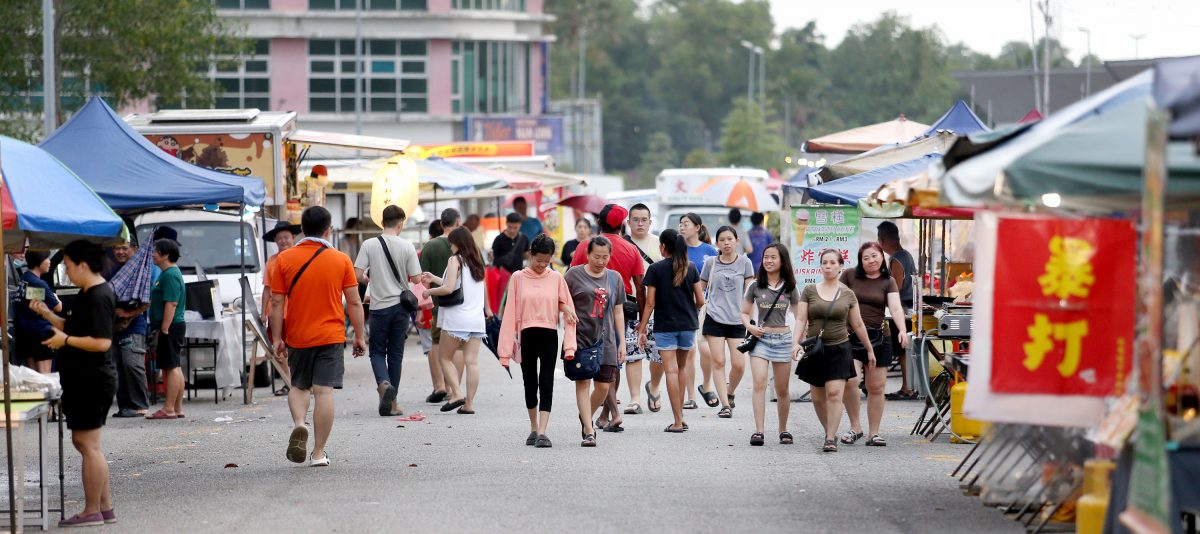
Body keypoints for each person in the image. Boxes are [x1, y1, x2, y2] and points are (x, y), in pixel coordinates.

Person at [269, 206, 367, 467]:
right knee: (324, 393)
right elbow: (355, 303)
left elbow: (276, 303)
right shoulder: (341, 259)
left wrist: (277, 338)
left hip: (298, 335)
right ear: (329, 230)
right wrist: (359, 335)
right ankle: (318, 453)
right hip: (331, 335)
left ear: (301, 230)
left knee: (299, 386)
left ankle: (300, 424)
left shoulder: (285, 260)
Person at [30, 241, 118, 527]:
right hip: (83, 377)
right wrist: (46, 313)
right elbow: (73, 326)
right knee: (87, 444)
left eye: (67, 266)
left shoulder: (99, 295)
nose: (66, 272)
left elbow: (102, 342)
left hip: (93, 378)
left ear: (82, 264)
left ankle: (91, 509)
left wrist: (65, 341)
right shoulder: (87, 293)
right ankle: (103, 507)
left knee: (87, 444)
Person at [498, 234, 577, 448]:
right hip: (527, 336)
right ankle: (533, 427)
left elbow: (562, 302)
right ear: (530, 255)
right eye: (538, 260)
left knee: (547, 382)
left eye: (547, 260)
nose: (542, 265)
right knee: (530, 384)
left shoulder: (556, 278)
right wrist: (505, 350)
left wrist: (566, 307)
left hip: (549, 335)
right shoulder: (518, 277)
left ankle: (543, 432)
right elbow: (510, 312)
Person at [569, 204, 644, 431]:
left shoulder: (584, 246)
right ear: (623, 224)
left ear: (599, 222)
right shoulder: (631, 250)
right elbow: (640, 287)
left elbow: (569, 288)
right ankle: (605, 414)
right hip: (613, 316)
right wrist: (643, 318)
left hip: (595, 317)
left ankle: (606, 413)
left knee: (601, 370)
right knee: (612, 368)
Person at [797, 249, 877, 453]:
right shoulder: (809, 290)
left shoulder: (848, 294)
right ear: (820, 266)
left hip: (840, 349)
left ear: (841, 267)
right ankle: (828, 430)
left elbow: (858, 324)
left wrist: (869, 349)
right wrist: (795, 343)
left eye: (833, 263)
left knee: (834, 394)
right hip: (815, 350)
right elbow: (800, 320)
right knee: (817, 398)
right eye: (824, 262)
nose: (828, 266)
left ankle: (830, 437)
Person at [839, 242, 910, 447]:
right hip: (851, 336)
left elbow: (896, 309)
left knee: (876, 387)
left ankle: (874, 433)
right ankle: (855, 428)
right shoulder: (850, 276)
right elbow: (837, 300)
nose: (871, 260)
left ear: (882, 257)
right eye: (866, 257)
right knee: (851, 381)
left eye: (875, 256)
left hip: (879, 336)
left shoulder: (888, 281)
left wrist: (903, 331)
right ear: (860, 261)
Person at [354, 205, 422, 417]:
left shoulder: (369, 245)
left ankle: (383, 385)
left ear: (382, 222)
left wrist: (370, 278)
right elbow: (417, 279)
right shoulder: (407, 246)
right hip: (401, 308)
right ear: (400, 223)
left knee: (376, 352)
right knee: (395, 354)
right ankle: (393, 404)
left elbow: (356, 276)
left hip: (379, 307)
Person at [638, 229, 704, 433]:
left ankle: (677, 421)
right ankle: (680, 417)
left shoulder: (655, 269)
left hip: (665, 326)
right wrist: (689, 312)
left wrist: (641, 329)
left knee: (671, 371)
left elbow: (650, 303)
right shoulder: (690, 268)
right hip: (687, 326)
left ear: (663, 247)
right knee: (682, 368)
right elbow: (700, 300)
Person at [565, 236, 627, 447]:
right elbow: (561, 300)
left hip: (607, 339)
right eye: (596, 256)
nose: (600, 261)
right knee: (583, 383)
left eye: (605, 257)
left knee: (602, 387)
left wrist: (622, 342)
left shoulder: (614, 277)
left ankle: (585, 416)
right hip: (581, 338)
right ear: (587, 254)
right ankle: (589, 431)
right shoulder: (573, 275)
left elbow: (618, 311)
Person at [423, 227, 492, 414]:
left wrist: (429, 291)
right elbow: (455, 284)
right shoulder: (476, 262)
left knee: (444, 357)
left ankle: (457, 393)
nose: (450, 246)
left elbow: (449, 288)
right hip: (476, 320)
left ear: (458, 243)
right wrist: (434, 278)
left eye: (451, 242)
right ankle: (469, 404)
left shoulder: (455, 260)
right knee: (472, 362)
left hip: (457, 319)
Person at [740, 243, 803, 446]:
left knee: (782, 389)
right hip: (760, 340)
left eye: (773, 257)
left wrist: (797, 343)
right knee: (759, 383)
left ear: (782, 261)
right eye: (766, 257)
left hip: (783, 340)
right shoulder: (755, 286)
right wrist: (750, 327)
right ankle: (759, 431)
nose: (768, 260)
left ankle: (783, 429)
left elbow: (800, 318)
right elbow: (743, 312)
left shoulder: (791, 287)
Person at [700, 226, 754, 417]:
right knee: (719, 362)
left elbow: (750, 293)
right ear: (717, 243)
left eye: (730, 239)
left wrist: (751, 318)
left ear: (737, 241)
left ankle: (730, 392)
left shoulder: (745, 263)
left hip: (737, 319)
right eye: (722, 240)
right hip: (714, 317)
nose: (726, 243)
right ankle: (725, 405)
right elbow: (701, 288)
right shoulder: (711, 263)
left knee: (739, 365)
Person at [623, 203, 662, 415]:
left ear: (650, 222)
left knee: (659, 355)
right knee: (634, 354)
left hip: (657, 309)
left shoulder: (659, 244)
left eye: (643, 220)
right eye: (635, 219)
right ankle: (634, 398)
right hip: (632, 308)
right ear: (628, 222)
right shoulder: (622, 244)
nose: (639, 223)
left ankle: (654, 386)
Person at [419, 209, 462, 404]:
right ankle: (455, 388)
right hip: (462, 305)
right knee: (459, 347)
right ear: (458, 221)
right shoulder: (466, 245)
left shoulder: (430, 246)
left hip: (436, 305)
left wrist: (421, 309)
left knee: (435, 345)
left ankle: (439, 386)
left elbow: (422, 280)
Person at [107, 241, 152, 417]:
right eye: (117, 248)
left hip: (134, 327)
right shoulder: (114, 270)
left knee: (132, 364)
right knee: (118, 366)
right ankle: (125, 407)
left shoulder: (140, 271)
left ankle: (140, 405)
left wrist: (128, 314)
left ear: (135, 249)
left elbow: (147, 301)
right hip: (114, 327)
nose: (120, 252)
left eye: (124, 248)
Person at [678, 213, 716, 410]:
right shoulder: (678, 250)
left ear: (698, 227)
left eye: (686, 224)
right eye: (681, 224)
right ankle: (690, 396)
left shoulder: (710, 251)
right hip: (684, 306)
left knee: (707, 350)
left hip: (707, 305)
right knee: (690, 352)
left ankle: (707, 383)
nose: (682, 227)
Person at [878, 220, 919, 401]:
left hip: (902, 310)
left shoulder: (895, 259)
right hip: (911, 309)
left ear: (882, 240)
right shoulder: (907, 255)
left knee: (902, 350)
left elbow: (896, 286)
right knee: (905, 350)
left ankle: (907, 388)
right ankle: (908, 386)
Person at [146, 239, 187, 420]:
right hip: (172, 325)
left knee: (170, 367)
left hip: (170, 326)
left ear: (166, 255)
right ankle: (177, 407)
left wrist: (164, 329)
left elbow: (171, 303)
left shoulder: (169, 274)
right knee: (174, 365)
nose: (153, 254)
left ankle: (169, 407)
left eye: (156, 251)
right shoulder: (168, 273)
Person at [262, 220, 302, 397]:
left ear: (293, 237)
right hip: (277, 313)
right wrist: (264, 311)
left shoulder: (300, 258)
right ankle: (289, 381)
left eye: (286, 237)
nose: (283, 241)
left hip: (296, 311)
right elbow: (267, 289)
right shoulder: (271, 261)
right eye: (280, 238)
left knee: (298, 348)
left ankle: (300, 381)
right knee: (279, 349)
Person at [14, 250, 61, 374]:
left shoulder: (25, 278)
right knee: (44, 377)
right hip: (41, 333)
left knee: (33, 377)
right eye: (47, 258)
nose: (50, 262)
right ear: (39, 262)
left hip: (27, 333)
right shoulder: (39, 283)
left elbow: (33, 303)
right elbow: (58, 307)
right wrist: (55, 298)